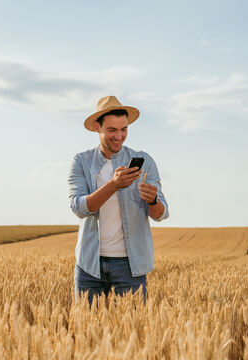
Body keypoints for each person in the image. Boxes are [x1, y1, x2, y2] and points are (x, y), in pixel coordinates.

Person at [68, 95, 169, 308]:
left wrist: (152, 200)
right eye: (112, 130)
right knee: (85, 332)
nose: (119, 136)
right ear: (97, 127)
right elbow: (79, 207)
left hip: (130, 267)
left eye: (124, 129)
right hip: (90, 265)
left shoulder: (145, 160)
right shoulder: (81, 162)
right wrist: (114, 185)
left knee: (131, 332)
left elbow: (160, 214)